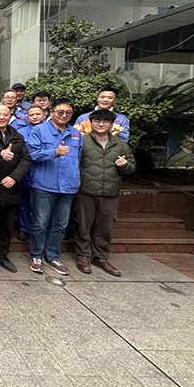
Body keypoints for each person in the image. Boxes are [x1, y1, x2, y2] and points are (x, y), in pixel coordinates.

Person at [74, 109, 136, 277]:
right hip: (85, 191)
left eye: (105, 121)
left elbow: (132, 167)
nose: (101, 124)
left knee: (105, 227)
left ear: (111, 124)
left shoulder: (120, 144)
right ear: (91, 123)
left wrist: (125, 166)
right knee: (83, 225)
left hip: (110, 192)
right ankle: (83, 255)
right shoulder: (81, 141)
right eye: (97, 121)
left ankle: (100, 257)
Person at [26, 98, 82, 276]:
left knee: (60, 224)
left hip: (68, 186)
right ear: (51, 112)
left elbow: (78, 159)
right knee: (40, 223)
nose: (64, 115)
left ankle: (52, 256)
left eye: (68, 113)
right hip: (44, 184)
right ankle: (36, 255)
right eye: (60, 112)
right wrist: (54, 152)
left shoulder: (76, 133)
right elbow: (32, 154)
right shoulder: (39, 130)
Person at [0, 105, 31, 274]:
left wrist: (14, 178)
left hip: (11, 187)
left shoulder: (17, 136)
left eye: (5, 115)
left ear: (10, 116)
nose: (1, 117)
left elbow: (26, 160)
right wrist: (1, 152)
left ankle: (2, 255)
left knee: (6, 226)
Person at [16, 105, 46, 242]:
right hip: (26, 171)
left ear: (44, 115)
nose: (34, 117)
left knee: (43, 203)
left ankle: (41, 229)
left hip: (44, 169)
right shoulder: (20, 132)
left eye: (37, 114)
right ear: (27, 117)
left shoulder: (50, 131)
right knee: (25, 201)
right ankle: (25, 228)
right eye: (31, 115)